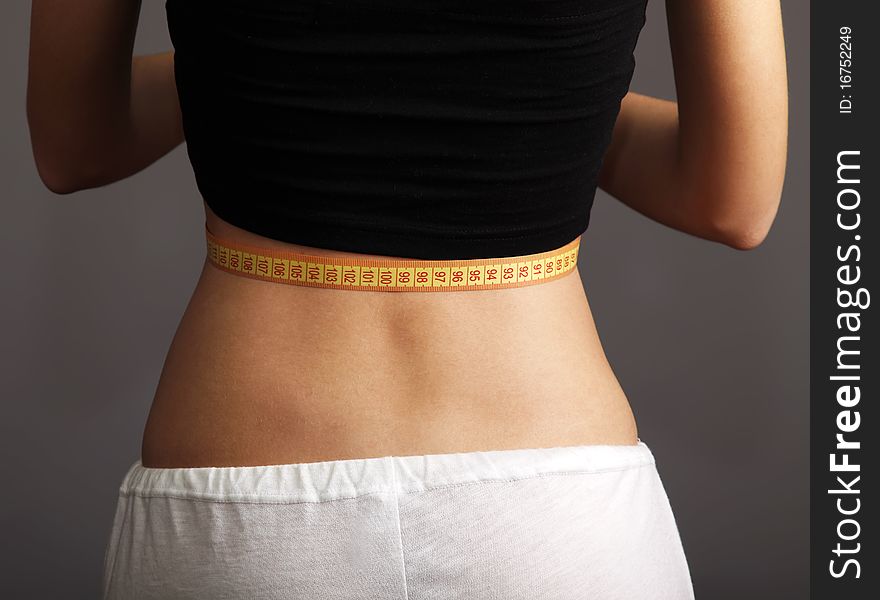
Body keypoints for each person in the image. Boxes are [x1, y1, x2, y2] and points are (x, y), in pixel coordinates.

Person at [27, 1, 788, 598]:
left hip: (239, 515)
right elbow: (729, 196)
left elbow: (75, 141)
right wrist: (533, 102)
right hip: (553, 515)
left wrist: (267, 77)